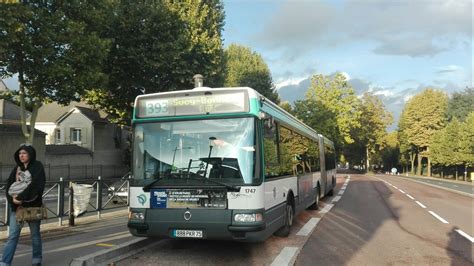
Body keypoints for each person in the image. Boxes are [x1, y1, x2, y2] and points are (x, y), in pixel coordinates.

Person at [1, 144, 45, 266]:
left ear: (30, 154)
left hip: (33, 207)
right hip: (17, 208)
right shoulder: (16, 168)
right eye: (20, 153)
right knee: (13, 236)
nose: (21, 155)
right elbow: (8, 186)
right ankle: (5, 262)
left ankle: (37, 260)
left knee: (35, 235)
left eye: (24, 153)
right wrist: (12, 200)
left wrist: (20, 197)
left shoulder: (37, 167)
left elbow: (36, 186)